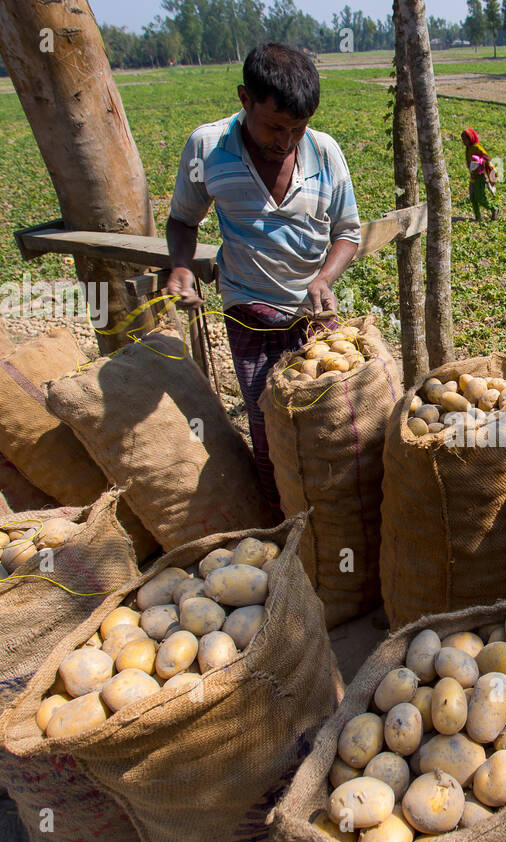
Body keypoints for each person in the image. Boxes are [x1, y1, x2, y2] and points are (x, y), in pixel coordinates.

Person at [165, 42, 361, 509]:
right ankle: (281, 518)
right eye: (275, 125)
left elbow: (348, 232)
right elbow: (182, 221)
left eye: (299, 127)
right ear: (244, 98)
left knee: (330, 418)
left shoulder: (325, 152)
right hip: (249, 306)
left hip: (313, 310)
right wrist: (180, 266)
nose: (286, 139)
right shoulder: (208, 148)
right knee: (268, 421)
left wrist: (324, 278)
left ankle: (331, 513)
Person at [461, 128, 499, 223]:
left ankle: (494, 209)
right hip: (473, 176)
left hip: (480, 176)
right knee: (473, 198)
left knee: (480, 198)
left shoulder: (477, 147)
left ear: (471, 138)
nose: (464, 142)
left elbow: (487, 158)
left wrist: (481, 163)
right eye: (463, 140)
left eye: (465, 139)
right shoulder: (469, 148)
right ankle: (478, 217)